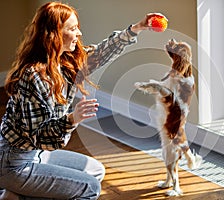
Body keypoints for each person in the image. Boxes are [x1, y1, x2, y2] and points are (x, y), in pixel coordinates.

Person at [0, 1, 166, 199]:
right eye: (72, 28)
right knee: (90, 188)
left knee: (95, 170)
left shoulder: (64, 62)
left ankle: (17, 195)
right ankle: (16, 188)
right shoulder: (33, 76)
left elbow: (101, 53)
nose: (78, 33)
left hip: (37, 156)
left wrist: (136, 29)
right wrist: (72, 119)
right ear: (53, 35)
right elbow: (38, 136)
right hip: (15, 163)